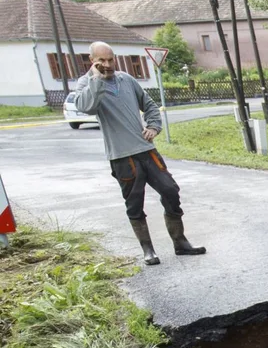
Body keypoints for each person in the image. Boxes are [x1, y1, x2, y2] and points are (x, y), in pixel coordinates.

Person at [68, 42, 205, 265]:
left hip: (146, 150)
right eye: (101, 60)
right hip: (121, 156)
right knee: (134, 202)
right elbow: (86, 107)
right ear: (92, 61)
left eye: (110, 59)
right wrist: (96, 79)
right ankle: (148, 250)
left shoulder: (126, 79)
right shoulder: (86, 84)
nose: (107, 64)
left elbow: (149, 105)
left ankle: (180, 243)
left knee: (170, 190)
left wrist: (153, 126)